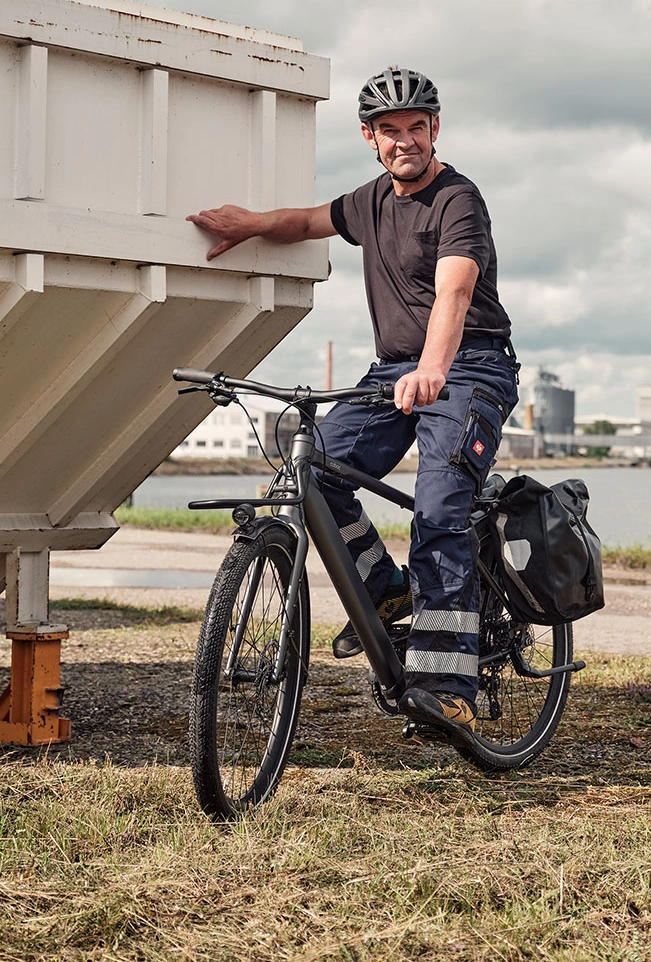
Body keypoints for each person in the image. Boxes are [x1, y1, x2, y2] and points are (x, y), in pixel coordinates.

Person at [186, 67, 517, 751]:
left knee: (438, 509)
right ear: (369, 138)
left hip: (470, 366)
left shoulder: (459, 200)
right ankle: (387, 590)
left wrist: (433, 369)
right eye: (390, 131)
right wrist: (249, 225)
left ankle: (449, 689)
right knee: (321, 474)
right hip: (392, 371)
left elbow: (455, 293)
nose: (404, 141)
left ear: (434, 130)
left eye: (415, 128)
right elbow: (306, 220)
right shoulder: (370, 202)